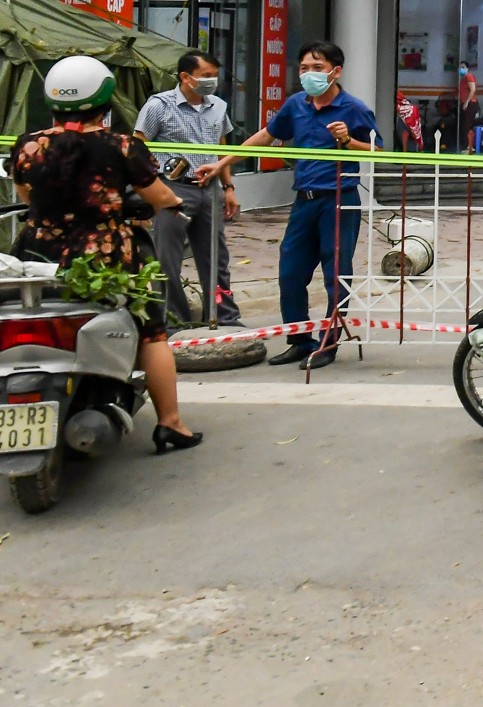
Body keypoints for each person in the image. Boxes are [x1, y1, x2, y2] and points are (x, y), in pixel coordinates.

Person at [7, 56, 201, 453]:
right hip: (108, 258)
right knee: (153, 332)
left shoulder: (27, 145)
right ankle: (170, 423)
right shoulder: (122, 147)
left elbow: (26, 196)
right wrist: (173, 199)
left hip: (36, 255)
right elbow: (159, 196)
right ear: (105, 101)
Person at [206, 41, 378, 371]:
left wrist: (347, 141)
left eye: (317, 68)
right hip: (304, 200)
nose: (309, 74)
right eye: (304, 68)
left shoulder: (353, 108)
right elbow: (265, 137)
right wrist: (221, 163)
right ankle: (299, 340)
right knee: (290, 272)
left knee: (336, 274)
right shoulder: (296, 104)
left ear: (335, 71)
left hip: (339, 200)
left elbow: (378, 152)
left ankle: (329, 343)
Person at [134, 50, 243, 327]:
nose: (212, 82)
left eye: (215, 76)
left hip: (210, 190)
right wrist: (149, 191)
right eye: (206, 76)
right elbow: (138, 146)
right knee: (166, 261)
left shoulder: (218, 105)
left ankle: (224, 316)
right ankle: (174, 322)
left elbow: (221, 147)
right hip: (172, 190)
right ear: (185, 77)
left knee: (216, 260)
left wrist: (228, 187)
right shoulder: (159, 105)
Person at [456, 62, 479, 152]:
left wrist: (466, 102)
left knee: (467, 125)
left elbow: (472, 90)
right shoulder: (462, 79)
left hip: (470, 104)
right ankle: (465, 146)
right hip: (464, 103)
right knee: (463, 125)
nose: (461, 69)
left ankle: (469, 146)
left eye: (463, 67)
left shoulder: (469, 77)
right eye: (460, 67)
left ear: (467, 68)